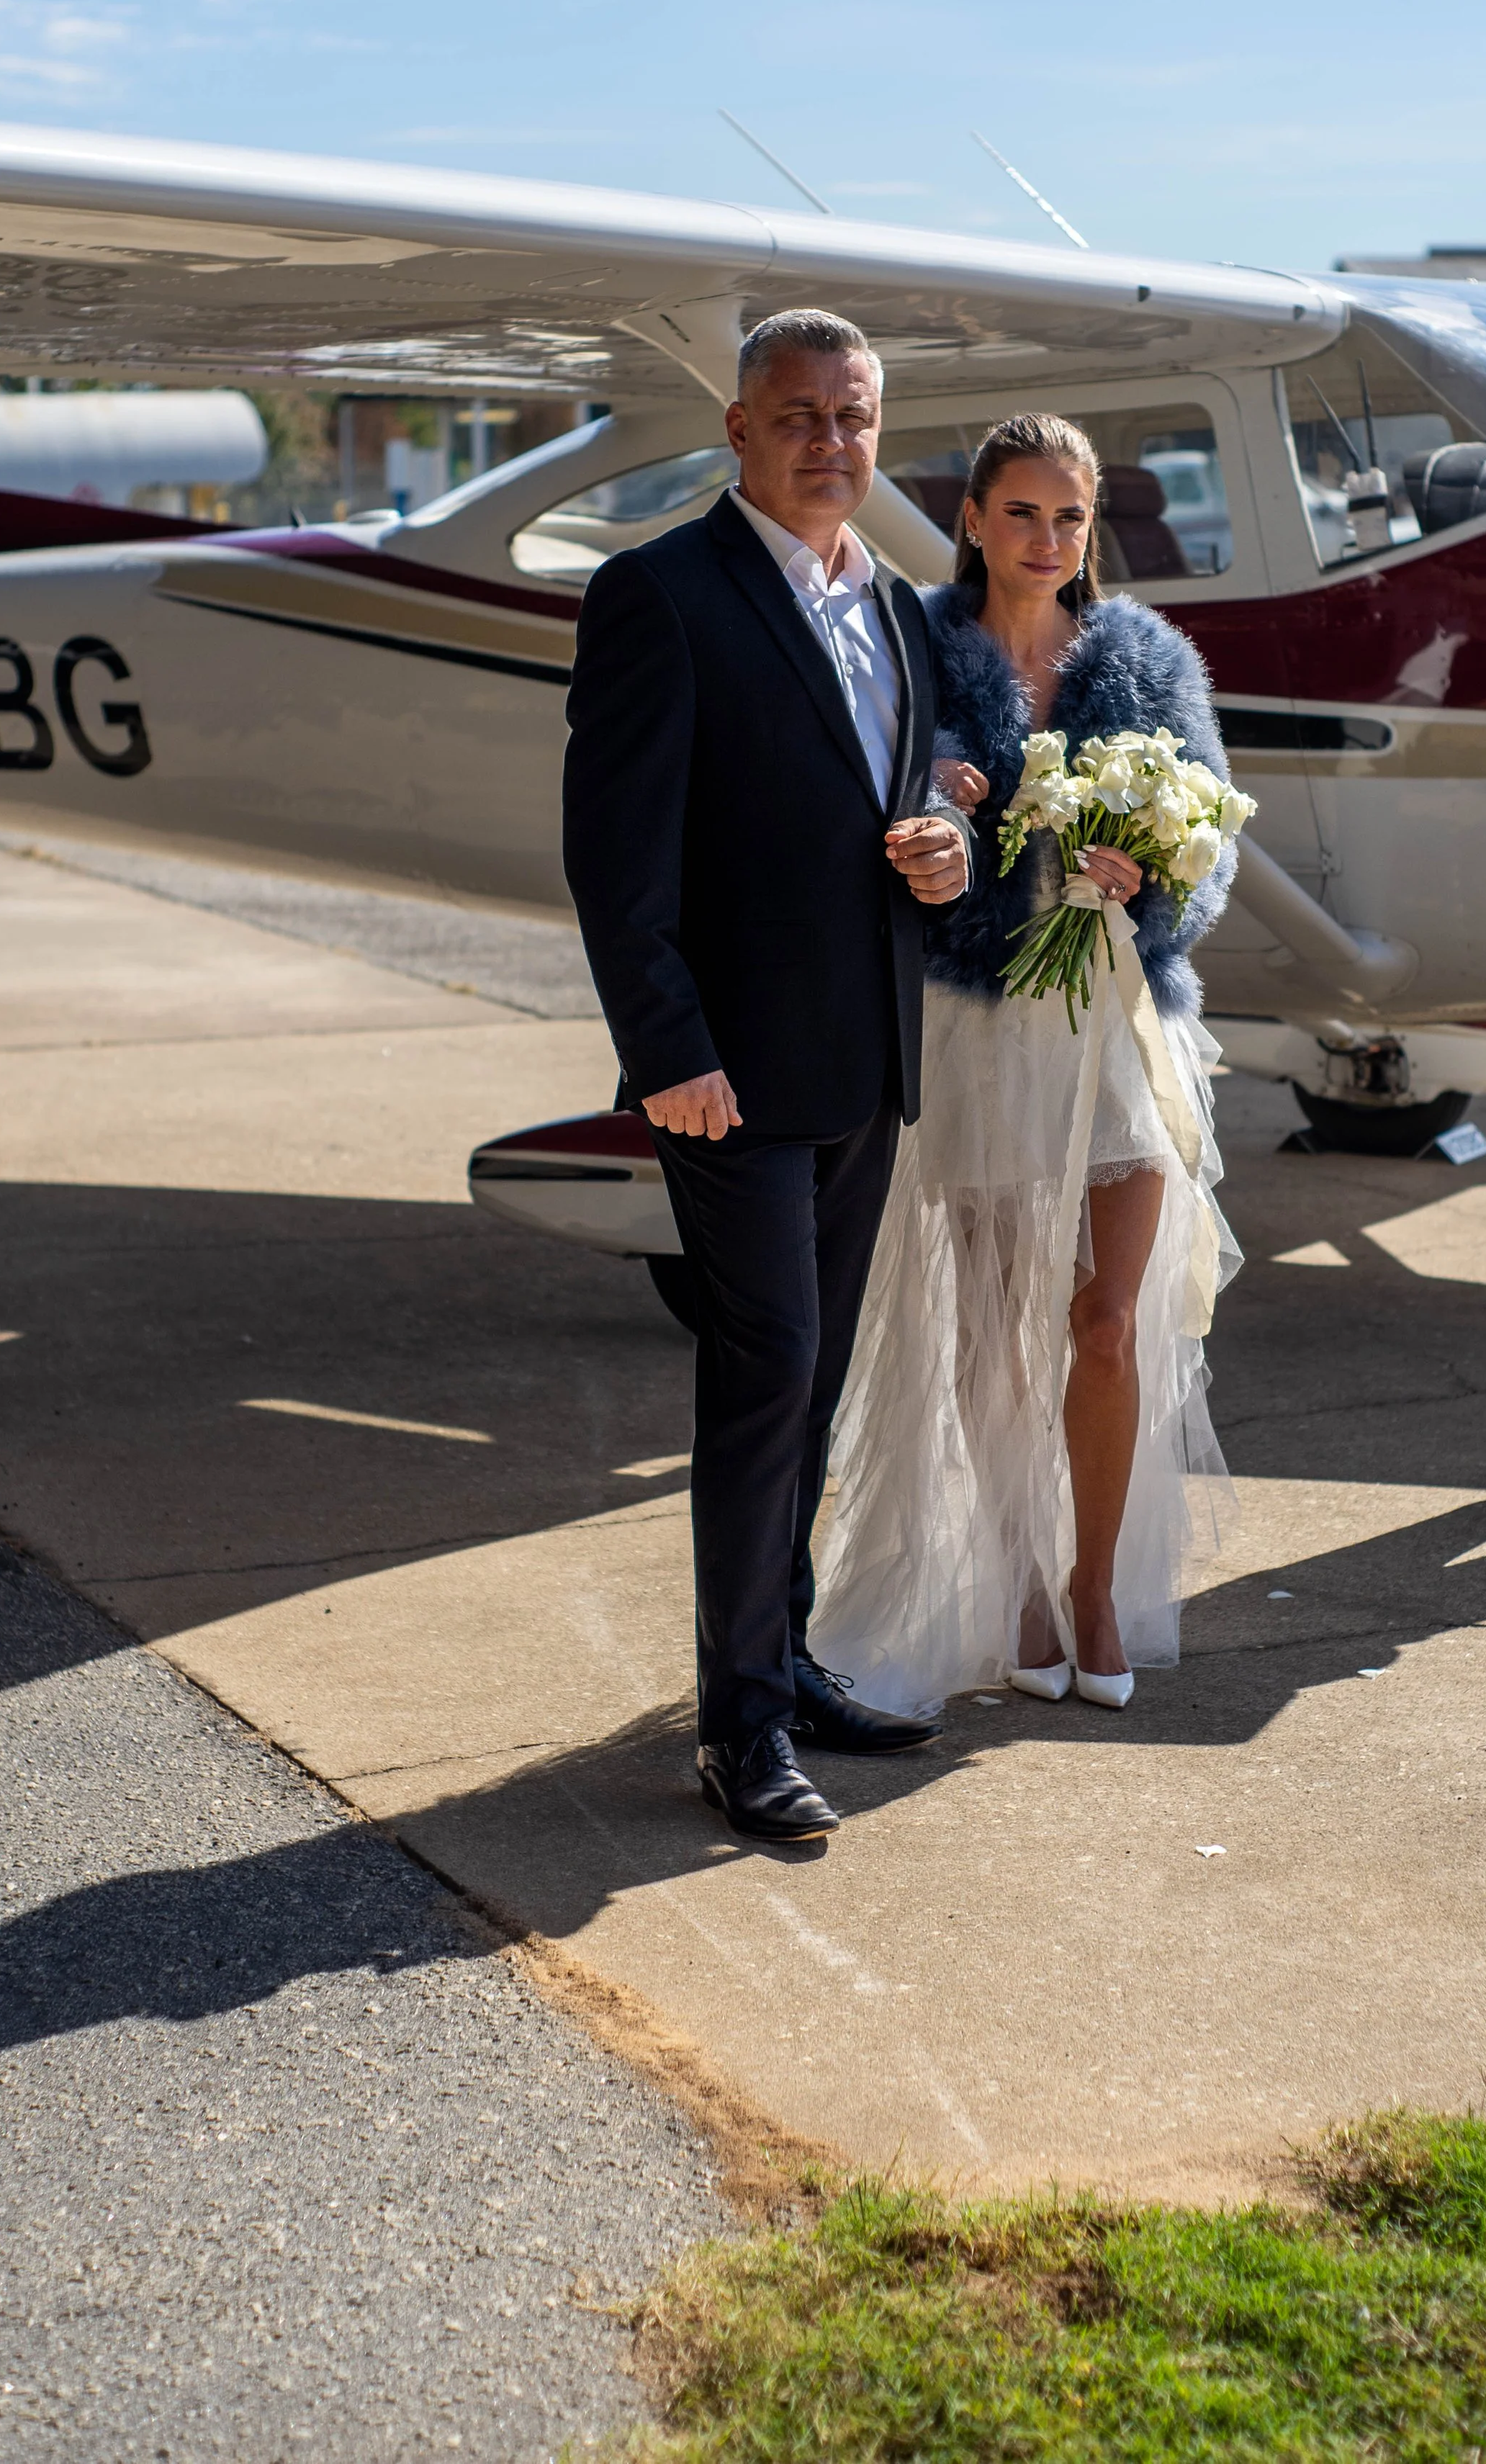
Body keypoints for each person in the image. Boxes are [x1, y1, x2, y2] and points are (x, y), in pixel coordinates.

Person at [563, 309, 971, 1840]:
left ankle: (783, 1663)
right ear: (736, 431)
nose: (827, 442)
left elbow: (907, 807)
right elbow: (614, 859)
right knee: (766, 1381)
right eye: (795, 415)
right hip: (725, 1080)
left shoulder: (907, 610)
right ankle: (738, 1731)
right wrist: (666, 1053)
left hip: (864, 1063)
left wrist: (946, 847)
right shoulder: (657, 595)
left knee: (811, 1391)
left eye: (852, 416)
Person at [809, 413, 1240, 1714]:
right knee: (997, 1340)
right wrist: (934, 820)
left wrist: (1150, 873)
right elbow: (867, 825)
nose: (1047, 541)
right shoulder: (917, 655)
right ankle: (1020, 1582)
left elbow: (1211, 844)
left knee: (1106, 1325)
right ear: (974, 521)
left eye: (1070, 517)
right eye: (1022, 513)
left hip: (1118, 1029)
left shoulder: (1152, 662)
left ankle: (1097, 1580)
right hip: (984, 1033)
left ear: (1090, 528)